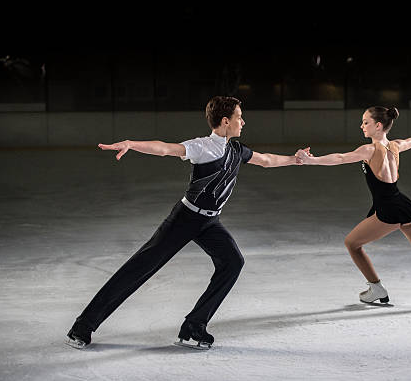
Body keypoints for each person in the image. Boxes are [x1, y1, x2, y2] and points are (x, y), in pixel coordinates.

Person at [66, 96, 305, 350]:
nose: (243, 122)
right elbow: (166, 148)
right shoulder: (203, 147)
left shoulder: (237, 150)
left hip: (210, 222)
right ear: (225, 121)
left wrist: (295, 158)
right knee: (140, 267)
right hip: (185, 218)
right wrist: (131, 144)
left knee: (233, 262)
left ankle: (194, 327)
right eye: (239, 117)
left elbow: (266, 160)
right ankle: (83, 326)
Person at [296, 106, 411, 304]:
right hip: (401, 202)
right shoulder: (396, 145)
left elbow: (340, 158)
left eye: (366, 122)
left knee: (352, 244)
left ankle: (376, 289)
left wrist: (311, 161)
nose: (362, 126)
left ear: (378, 125)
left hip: (389, 209)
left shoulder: (370, 149)